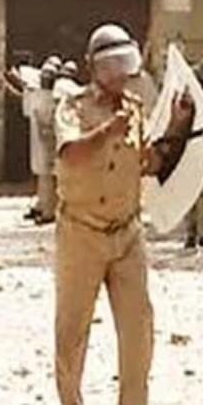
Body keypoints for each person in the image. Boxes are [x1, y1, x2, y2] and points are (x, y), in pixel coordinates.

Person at [53, 23, 195, 405]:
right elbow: (69, 153)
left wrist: (179, 124)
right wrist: (106, 132)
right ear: (93, 67)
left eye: (124, 63)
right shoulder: (73, 106)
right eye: (111, 65)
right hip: (80, 234)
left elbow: (149, 162)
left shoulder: (133, 109)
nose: (119, 74)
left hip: (127, 235)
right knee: (71, 333)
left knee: (138, 329)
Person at [23, 63, 59, 224]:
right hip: (43, 143)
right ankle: (45, 208)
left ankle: (48, 212)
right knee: (46, 179)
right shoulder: (50, 97)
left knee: (47, 179)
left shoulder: (45, 98)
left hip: (46, 142)